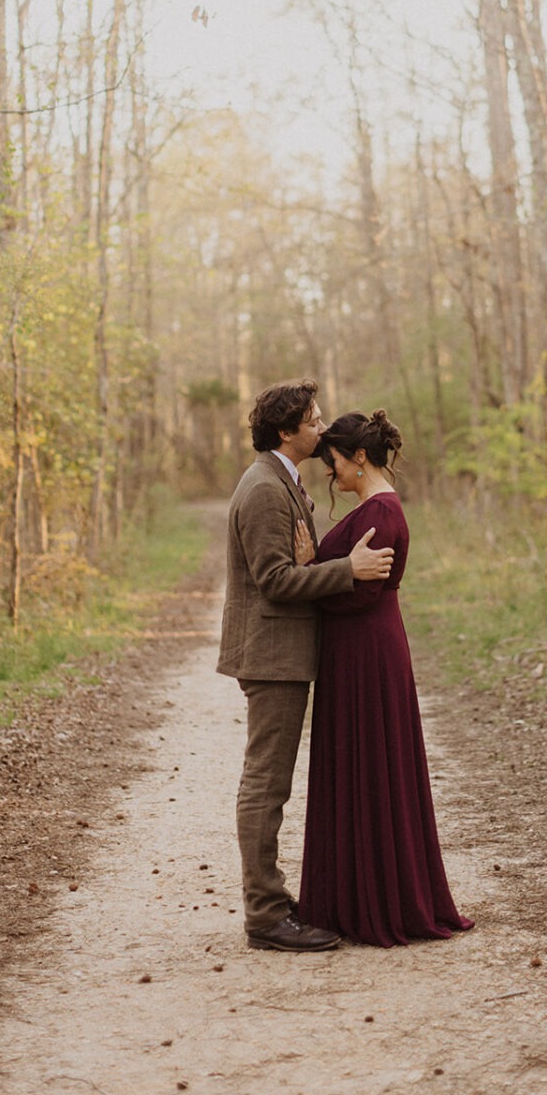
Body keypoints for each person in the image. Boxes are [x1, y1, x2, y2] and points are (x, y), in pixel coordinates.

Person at [217, 379, 395, 953]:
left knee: (272, 782)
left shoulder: (284, 482)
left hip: (284, 653)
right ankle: (265, 914)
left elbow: (291, 567)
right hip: (271, 655)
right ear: (285, 431)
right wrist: (347, 569)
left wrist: (318, 561)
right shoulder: (265, 489)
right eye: (312, 420)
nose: (321, 429)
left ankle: (271, 901)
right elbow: (273, 580)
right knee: (266, 783)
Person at [295, 409, 473, 947]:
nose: (333, 474)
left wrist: (309, 574)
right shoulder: (376, 508)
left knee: (372, 764)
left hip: (367, 652)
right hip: (361, 650)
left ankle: (379, 900)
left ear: (360, 457)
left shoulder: (381, 514)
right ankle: (353, 894)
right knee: (362, 763)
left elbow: (363, 592)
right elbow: (352, 580)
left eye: (336, 463)